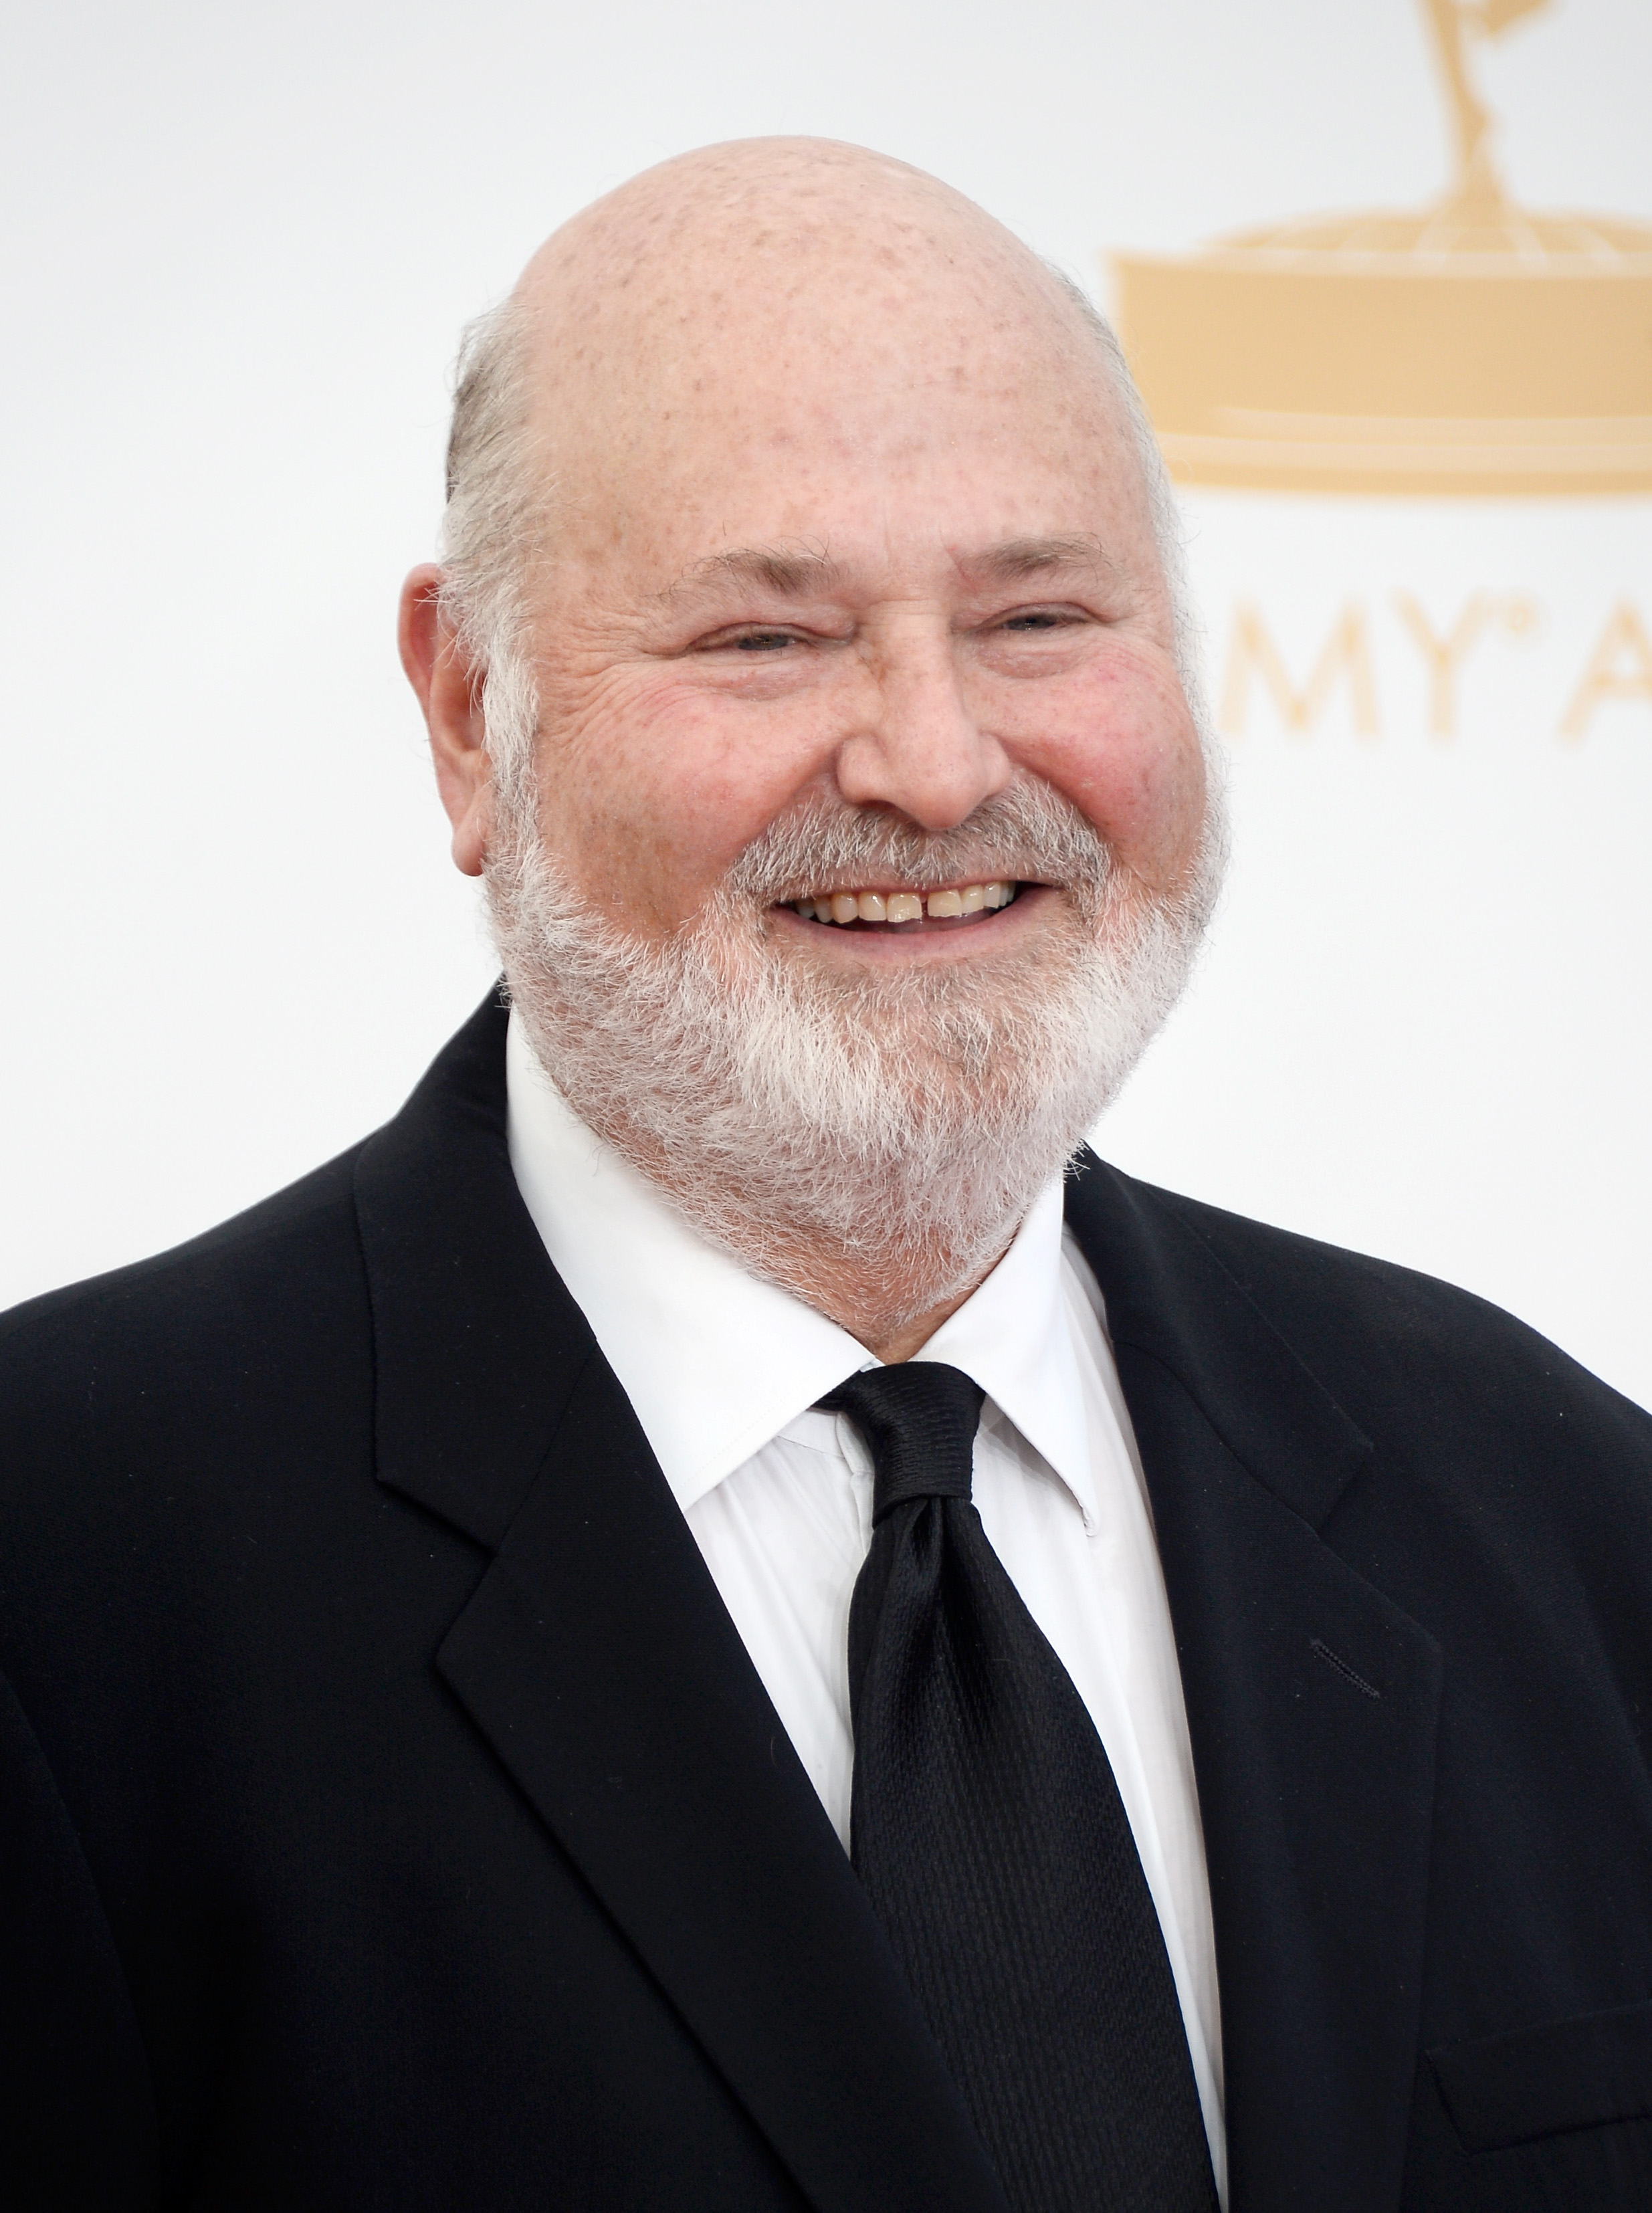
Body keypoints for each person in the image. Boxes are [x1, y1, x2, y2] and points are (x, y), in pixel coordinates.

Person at [1, 138, 1648, 2213]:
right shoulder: (61, 1578)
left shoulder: (1564, 1515)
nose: (937, 765)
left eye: (1040, 615)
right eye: (766, 642)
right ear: (462, 713)